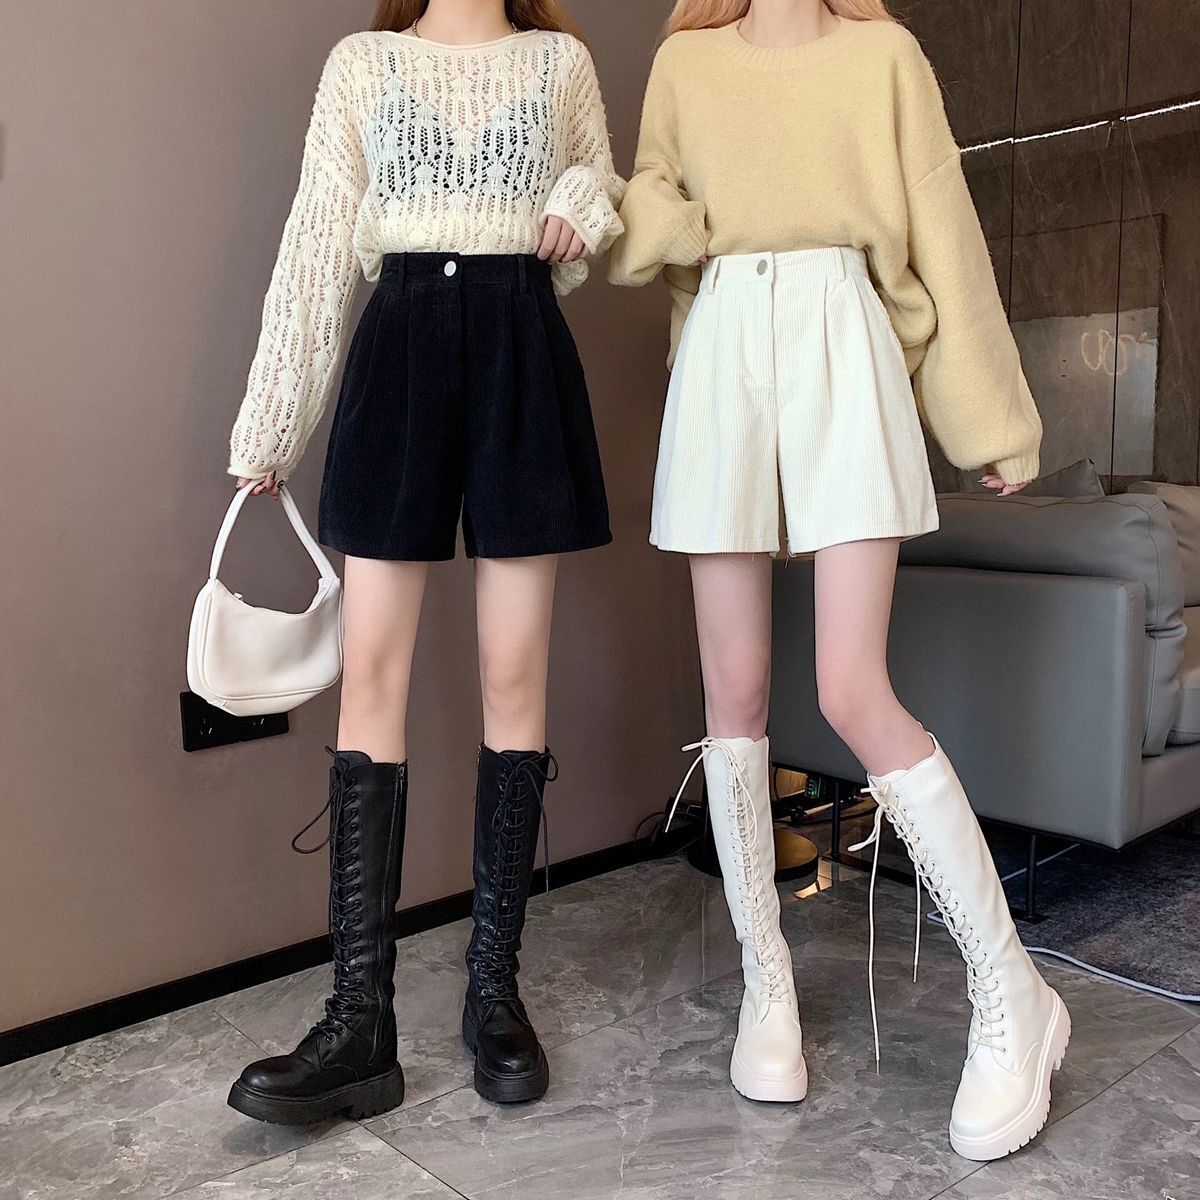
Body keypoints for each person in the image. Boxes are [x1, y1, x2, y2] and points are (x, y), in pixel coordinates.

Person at [610, 0, 1068, 1163]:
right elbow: (646, 217)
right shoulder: (685, 65)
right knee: (734, 696)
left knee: (853, 688)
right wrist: (684, 225)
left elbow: (942, 231)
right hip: (722, 347)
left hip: (843, 334)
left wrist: (988, 418)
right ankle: (766, 986)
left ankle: (1012, 992)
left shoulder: (885, 56)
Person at [224, 0, 623, 1124]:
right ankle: (360, 1022)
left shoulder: (560, 61)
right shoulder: (363, 63)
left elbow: (605, 186)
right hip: (400, 341)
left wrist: (582, 200)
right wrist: (272, 425)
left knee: (515, 672)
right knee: (372, 672)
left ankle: (494, 992)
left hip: (519, 348)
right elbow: (316, 242)